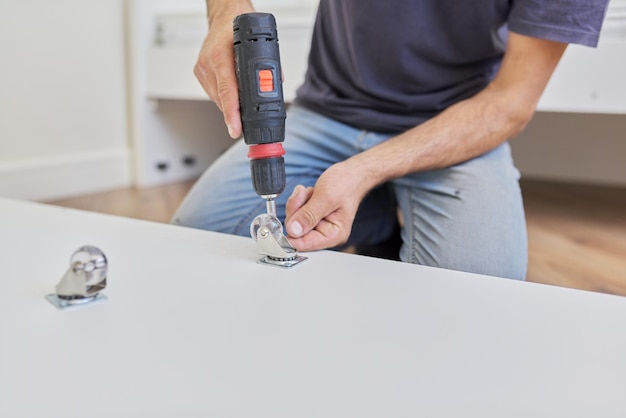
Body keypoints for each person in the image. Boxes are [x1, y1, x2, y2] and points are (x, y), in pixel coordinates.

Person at [172, 0, 609, 280]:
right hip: (329, 109)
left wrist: (364, 171)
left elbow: (510, 102)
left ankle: (372, 194)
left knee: (479, 286)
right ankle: (377, 215)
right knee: (194, 240)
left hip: (455, 126)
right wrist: (225, 11)